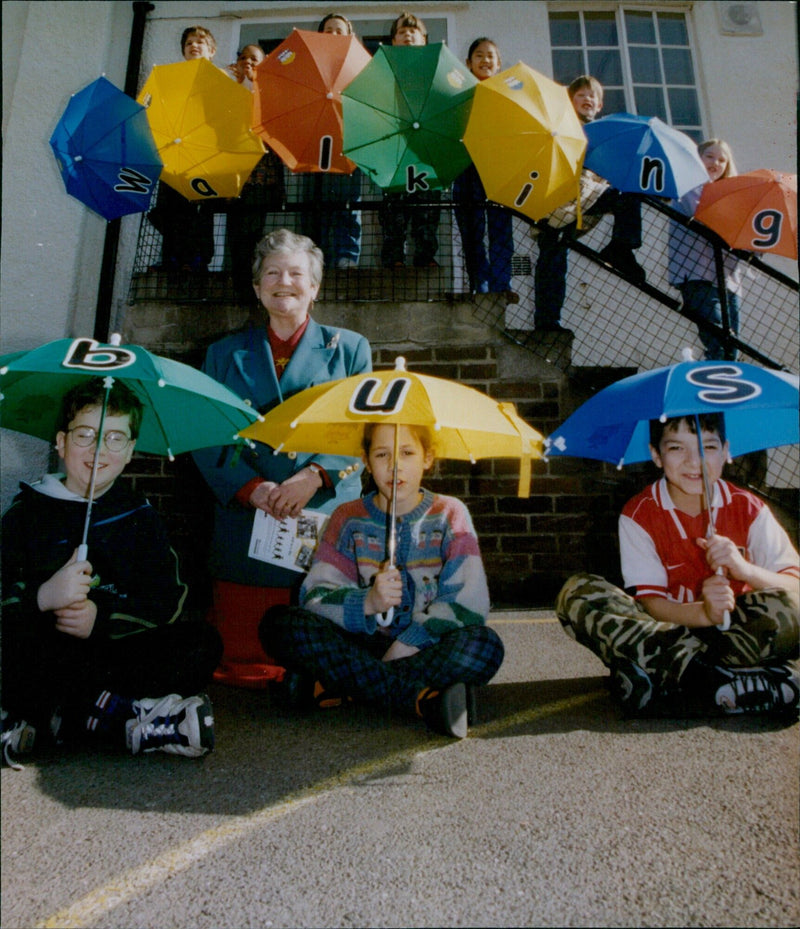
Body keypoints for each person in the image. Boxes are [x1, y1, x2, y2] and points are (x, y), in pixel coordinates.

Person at [1, 379, 222, 767]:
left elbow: (167, 599)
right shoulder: (26, 513)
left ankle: (60, 718)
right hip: (43, 652)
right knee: (23, 643)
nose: (99, 449)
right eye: (85, 434)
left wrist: (99, 620)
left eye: (115, 438)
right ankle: (125, 720)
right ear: (61, 442)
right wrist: (42, 597)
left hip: (109, 655)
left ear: (130, 450)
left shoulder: (139, 516)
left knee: (201, 642)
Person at [192, 229, 373, 689]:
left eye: (296, 273)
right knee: (240, 655)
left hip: (320, 506)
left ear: (314, 287)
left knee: (325, 630)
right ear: (256, 288)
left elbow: (361, 431)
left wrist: (314, 476)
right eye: (271, 272)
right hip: (248, 511)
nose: (283, 281)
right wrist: (254, 489)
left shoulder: (350, 349)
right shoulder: (221, 354)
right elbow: (206, 435)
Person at [258, 422, 505, 738]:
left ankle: (339, 686)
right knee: (280, 624)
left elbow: (468, 602)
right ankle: (419, 698)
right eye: (382, 454)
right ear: (365, 459)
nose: (394, 466)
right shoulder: (347, 517)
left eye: (407, 453)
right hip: (361, 642)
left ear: (427, 458)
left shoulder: (449, 514)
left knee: (484, 646)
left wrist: (410, 640)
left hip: (426, 646)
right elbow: (316, 594)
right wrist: (367, 602)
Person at [556, 413, 799, 718]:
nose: (694, 462)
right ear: (656, 455)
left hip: (732, 634)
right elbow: (653, 603)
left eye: (708, 447)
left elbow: (794, 585)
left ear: (726, 452)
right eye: (676, 449)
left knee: (793, 607)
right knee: (577, 593)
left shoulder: (748, 507)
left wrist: (744, 570)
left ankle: (664, 676)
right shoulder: (638, 514)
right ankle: (713, 678)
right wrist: (704, 612)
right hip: (667, 632)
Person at [534, 75, 645, 332]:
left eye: (592, 96)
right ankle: (547, 321)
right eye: (581, 95)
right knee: (552, 259)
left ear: (599, 105)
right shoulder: (561, 127)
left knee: (629, 195)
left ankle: (621, 248)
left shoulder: (604, 133)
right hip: (558, 201)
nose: (587, 99)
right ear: (571, 101)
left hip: (586, 197)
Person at [146, 26, 218, 273]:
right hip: (174, 154)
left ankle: (198, 259)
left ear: (212, 51)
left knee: (200, 208)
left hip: (203, 156)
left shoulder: (218, 80)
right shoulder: (171, 80)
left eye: (200, 42)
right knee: (170, 208)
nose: (194, 46)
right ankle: (171, 259)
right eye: (188, 43)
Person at [452, 38, 516, 302]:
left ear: (499, 64)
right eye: (479, 55)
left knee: (500, 228)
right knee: (471, 230)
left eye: (491, 56)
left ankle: (502, 283)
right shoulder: (460, 94)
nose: (485, 60)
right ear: (468, 63)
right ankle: (481, 283)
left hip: (498, 169)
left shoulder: (508, 94)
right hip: (466, 167)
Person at [668, 139, 744, 360]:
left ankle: (728, 387)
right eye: (710, 156)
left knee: (732, 348)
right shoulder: (689, 187)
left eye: (722, 159)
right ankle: (716, 389)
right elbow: (706, 217)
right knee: (717, 343)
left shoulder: (731, 195)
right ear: (697, 158)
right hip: (697, 276)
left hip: (729, 280)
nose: (716, 163)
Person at [299, 13, 363, 270]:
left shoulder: (359, 66)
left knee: (348, 205)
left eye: (339, 30)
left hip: (348, 143)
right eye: (328, 30)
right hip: (315, 145)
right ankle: (314, 261)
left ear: (349, 36)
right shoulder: (309, 65)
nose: (334, 35)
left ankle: (347, 257)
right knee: (316, 207)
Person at [378, 12, 442, 269]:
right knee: (394, 208)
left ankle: (425, 257)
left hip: (426, 149)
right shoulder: (384, 69)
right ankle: (393, 257)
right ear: (393, 40)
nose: (407, 35)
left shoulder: (435, 67)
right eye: (402, 32)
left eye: (413, 31)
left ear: (424, 39)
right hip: (394, 149)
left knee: (427, 206)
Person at [225, 42, 286, 304]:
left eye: (254, 59)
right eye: (243, 58)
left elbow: (274, 125)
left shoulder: (270, 91)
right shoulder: (228, 87)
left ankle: (253, 287)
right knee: (236, 235)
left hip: (260, 177)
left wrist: (256, 85)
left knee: (253, 233)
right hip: (235, 176)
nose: (248, 62)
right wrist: (235, 85)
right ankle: (240, 284)